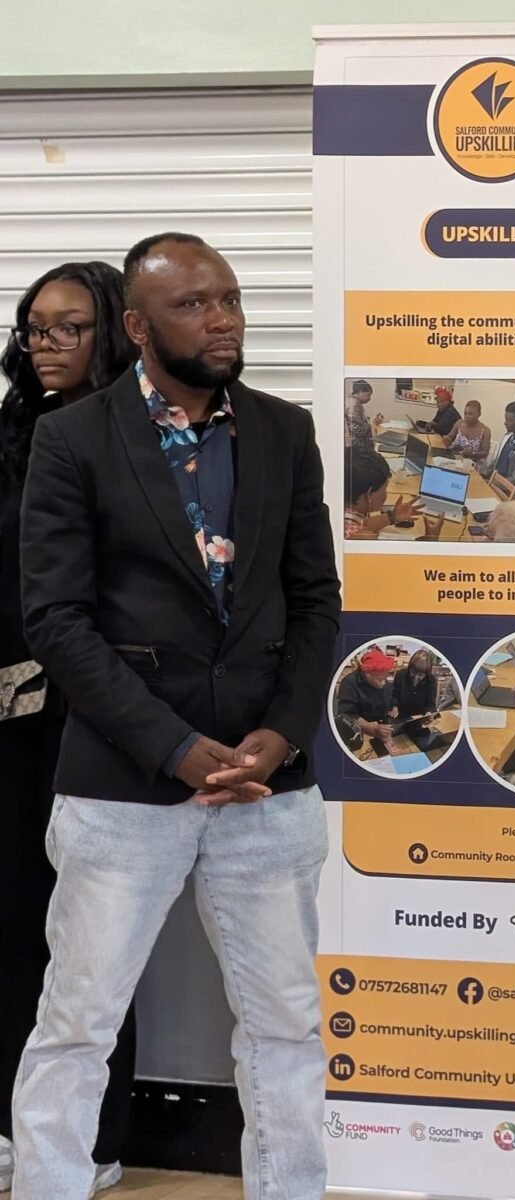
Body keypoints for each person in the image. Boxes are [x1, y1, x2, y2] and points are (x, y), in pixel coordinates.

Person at [14, 232, 342, 1200]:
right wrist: (175, 748)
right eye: (194, 305)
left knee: (287, 1026)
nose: (223, 319)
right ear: (138, 325)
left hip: (268, 788)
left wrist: (281, 736)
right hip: (123, 785)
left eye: (229, 299)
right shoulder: (73, 439)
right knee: (76, 1024)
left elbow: (316, 600)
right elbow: (56, 621)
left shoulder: (284, 431)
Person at [0, 262, 138, 1197]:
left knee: (92, 935)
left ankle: (94, 1137)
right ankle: (17, 1124)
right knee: (13, 921)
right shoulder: (14, 431)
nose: (46, 344)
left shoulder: (137, 439)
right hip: (9, 719)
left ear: (114, 333)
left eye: (70, 327)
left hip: (95, 714)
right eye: (34, 327)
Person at [343, 448, 418, 539]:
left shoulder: (344, 510)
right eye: (384, 489)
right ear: (369, 494)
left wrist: (392, 516)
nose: (385, 494)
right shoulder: (363, 537)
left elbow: (363, 523)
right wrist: (430, 537)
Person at [336, 647, 398, 745]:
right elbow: (348, 715)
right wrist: (371, 728)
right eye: (379, 680)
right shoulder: (349, 684)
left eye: (385, 678)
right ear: (367, 673)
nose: (383, 683)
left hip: (381, 726)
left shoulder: (382, 678)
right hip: (360, 732)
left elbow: (391, 695)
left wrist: (394, 706)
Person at [444, 398, 491, 463]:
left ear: (479, 414)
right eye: (465, 413)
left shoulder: (485, 431)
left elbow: (485, 452)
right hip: (454, 459)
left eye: (470, 414)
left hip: (473, 463)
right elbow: (449, 437)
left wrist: (471, 454)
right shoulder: (459, 423)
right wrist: (446, 439)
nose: (467, 416)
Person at [345, 378, 376, 458]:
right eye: (368, 395)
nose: (369, 398)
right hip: (357, 446)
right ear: (360, 392)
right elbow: (357, 430)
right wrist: (372, 423)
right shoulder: (353, 405)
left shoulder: (351, 401)